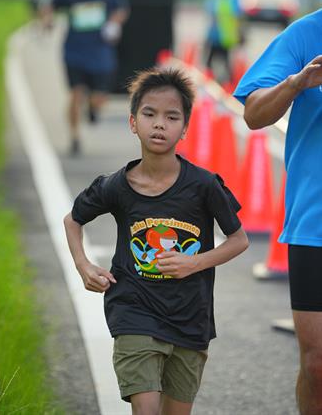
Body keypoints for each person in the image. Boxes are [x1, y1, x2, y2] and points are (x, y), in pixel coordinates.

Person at [64, 68, 248, 414]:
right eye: (149, 114)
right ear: (133, 122)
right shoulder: (116, 185)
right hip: (134, 310)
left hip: (190, 317)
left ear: (185, 129)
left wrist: (195, 261)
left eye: (171, 117)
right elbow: (73, 220)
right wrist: (83, 265)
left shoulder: (204, 186)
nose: (159, 124)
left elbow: (238, 240)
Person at [233, 9, 322, 415]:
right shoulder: (306, 34)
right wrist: (296, 83)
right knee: (317, 365)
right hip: (314, 224)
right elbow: (253, 113)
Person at [52, 0, 129, 155]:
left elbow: (121, 9)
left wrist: (114, 23)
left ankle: (94, 108)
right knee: (76, 94)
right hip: (74, 50)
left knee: (98, 97)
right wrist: (47, 20)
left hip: (101, 51)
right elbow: (52, 6)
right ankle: (74, 137)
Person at [204, 0, 241, 83]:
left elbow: (236, 14)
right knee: (212, 62)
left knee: (222, 63)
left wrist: (238, 33)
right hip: (215, 35)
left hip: (225, 36)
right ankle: (217, 84)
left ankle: (226, 86)